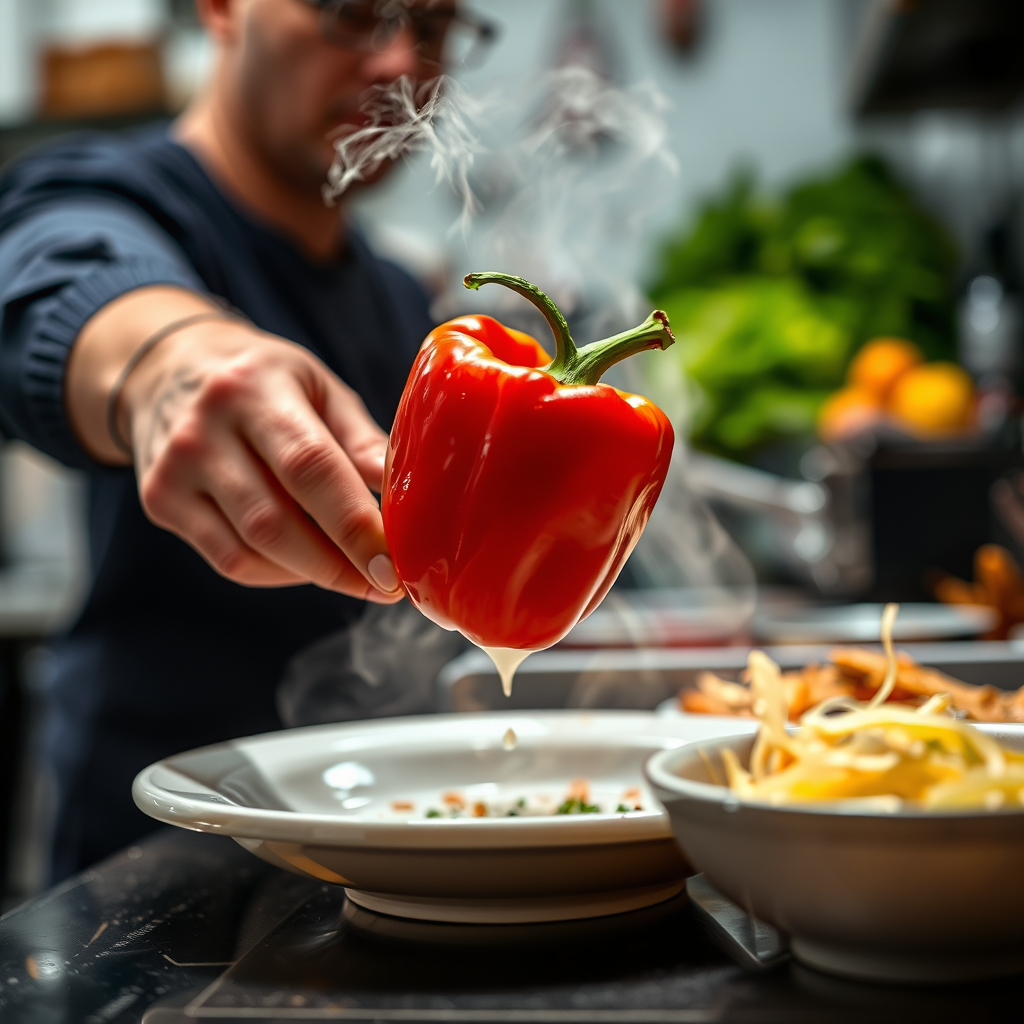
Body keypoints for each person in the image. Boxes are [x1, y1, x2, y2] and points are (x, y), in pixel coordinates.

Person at [0, 0, 489, 880]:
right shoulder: (110, 192)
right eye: (352, 12)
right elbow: (57, 268)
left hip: (369, 866)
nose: (399, 64)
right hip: (154, 875)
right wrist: (167, 360)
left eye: (437, 29)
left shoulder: (395, 297)